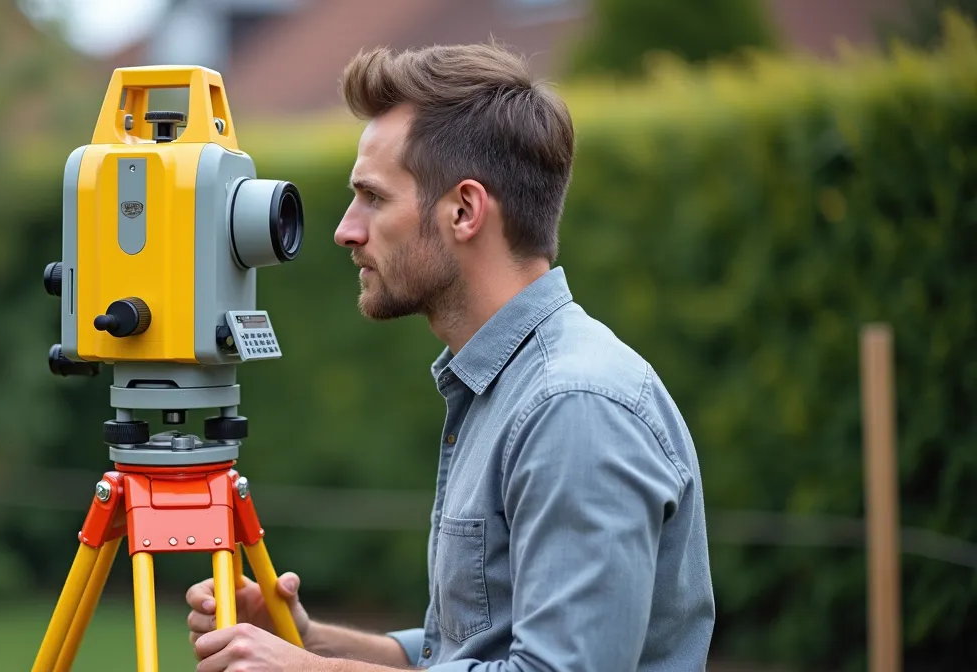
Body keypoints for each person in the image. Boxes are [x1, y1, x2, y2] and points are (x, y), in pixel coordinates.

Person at [184, 41, 715, 672]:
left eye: (373, 198)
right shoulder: (506, 388)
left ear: (464, 210)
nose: (345, 229)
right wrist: (314, 641)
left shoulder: (572, 408)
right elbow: (474, 648)